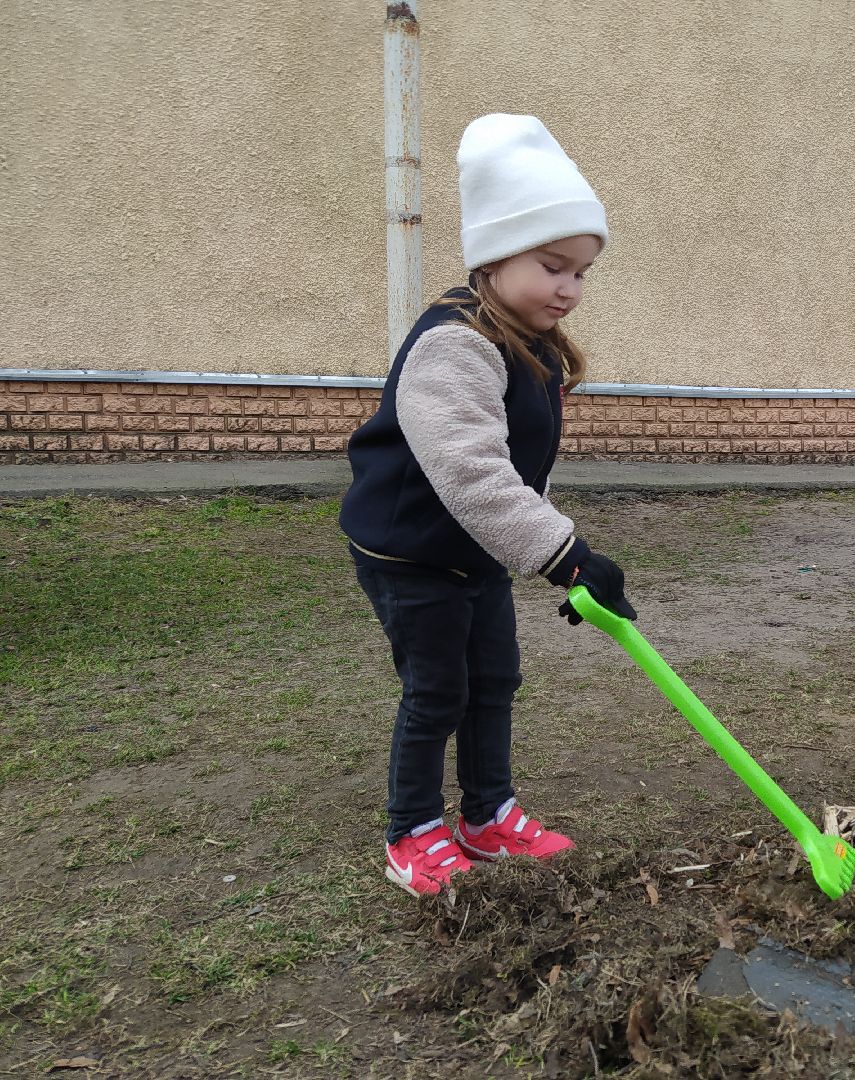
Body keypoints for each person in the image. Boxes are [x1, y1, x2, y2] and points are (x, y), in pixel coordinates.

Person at [340, 114, 638, 896]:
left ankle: (487, 812)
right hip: (411, 553)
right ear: (495, 256)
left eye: (581, 272)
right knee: (438, 686)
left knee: (494, 677)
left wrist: (549, 551)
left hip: (475, 552)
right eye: (553, 265)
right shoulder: (454, 345)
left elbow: (517, 474)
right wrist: (562, 551)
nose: (570, 288)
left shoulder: (528, 346)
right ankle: (412, 829)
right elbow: (471, 472)